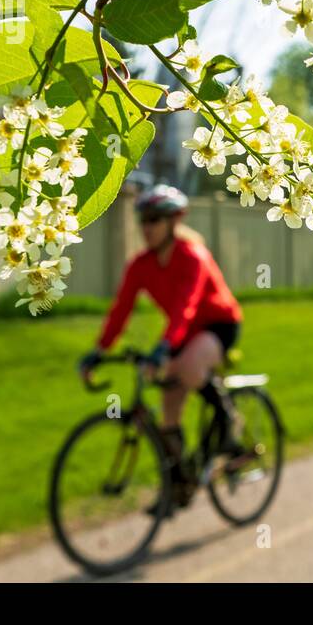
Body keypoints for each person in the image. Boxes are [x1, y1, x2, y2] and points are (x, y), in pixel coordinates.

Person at [79, 184, 244, 508]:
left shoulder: (192, 256)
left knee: (188, 368)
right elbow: (121, 309)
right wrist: (100, 351)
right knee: (169, 404)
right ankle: (178, 483)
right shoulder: (141, 265)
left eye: (154, 219)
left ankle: (229, 422)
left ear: (173, 221)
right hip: (183, 333)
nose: (147, 227)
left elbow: (187, 305)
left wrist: (164, 346)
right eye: (143, 219)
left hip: (217, 324)